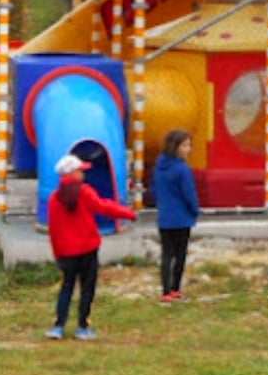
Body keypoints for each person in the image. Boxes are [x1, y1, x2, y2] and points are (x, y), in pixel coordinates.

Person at [45, 154, 136, 341]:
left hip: (66, 253)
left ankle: (58, 326)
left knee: (67, 287)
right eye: (80, 170)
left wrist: (58, 254)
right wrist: (128, 213)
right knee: (87, 289)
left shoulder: (54, 199)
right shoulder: (85, 192)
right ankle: (82, 327)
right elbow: (104, 207)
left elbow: (53, 230)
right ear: (72, 173)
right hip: (87, 249)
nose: (84, 173)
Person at [151, 129, 200, 302]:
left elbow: (154, 191)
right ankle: (175, 289)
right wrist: (195, 210)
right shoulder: (182, 169)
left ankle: (165, 292)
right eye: (185, 145)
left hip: (164, 218)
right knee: (180, 255)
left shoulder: (158, 167)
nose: (188, 149)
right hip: (181, 219)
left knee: (166, 254)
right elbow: (189, 193)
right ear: (176, 147)